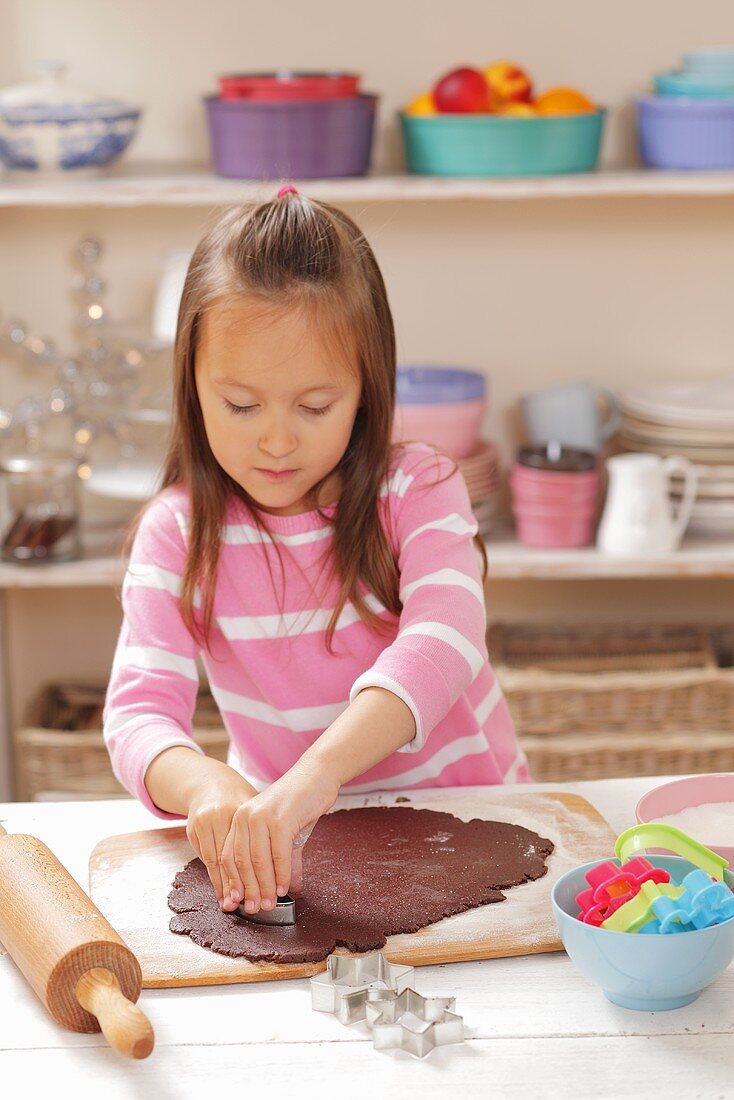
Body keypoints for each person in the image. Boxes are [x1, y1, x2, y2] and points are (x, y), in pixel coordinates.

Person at [103, 186, 529, 923]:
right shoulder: (175, 534)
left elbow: (444, 638)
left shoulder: (419, 488)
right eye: (240, 405)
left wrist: (316, 773)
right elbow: (139, 715)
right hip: (311, 853)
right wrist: (205, 785)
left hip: (474, 823)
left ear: (367, 389)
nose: (276, 440)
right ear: (190, 387)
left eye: (314, 405)